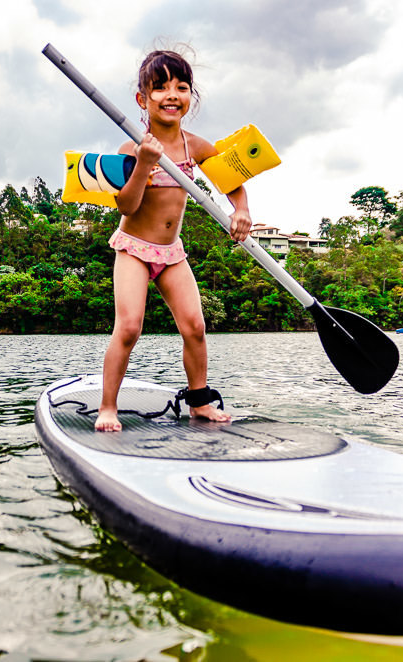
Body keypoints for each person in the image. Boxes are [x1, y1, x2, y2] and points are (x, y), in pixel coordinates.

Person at [94, 48, 253, 432]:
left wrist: (241, 210)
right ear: (142, 99)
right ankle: (107, 407)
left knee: (195, 326)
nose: (172, 95)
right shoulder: (132, 149)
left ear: (190, 98)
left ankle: (199, 403)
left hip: (171, 253)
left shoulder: (194, 146)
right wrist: (145, 165)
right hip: (133, 249)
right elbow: (127, 206)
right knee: (129, 327)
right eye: (161, 87)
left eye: (182, 87)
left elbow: (232, 182)